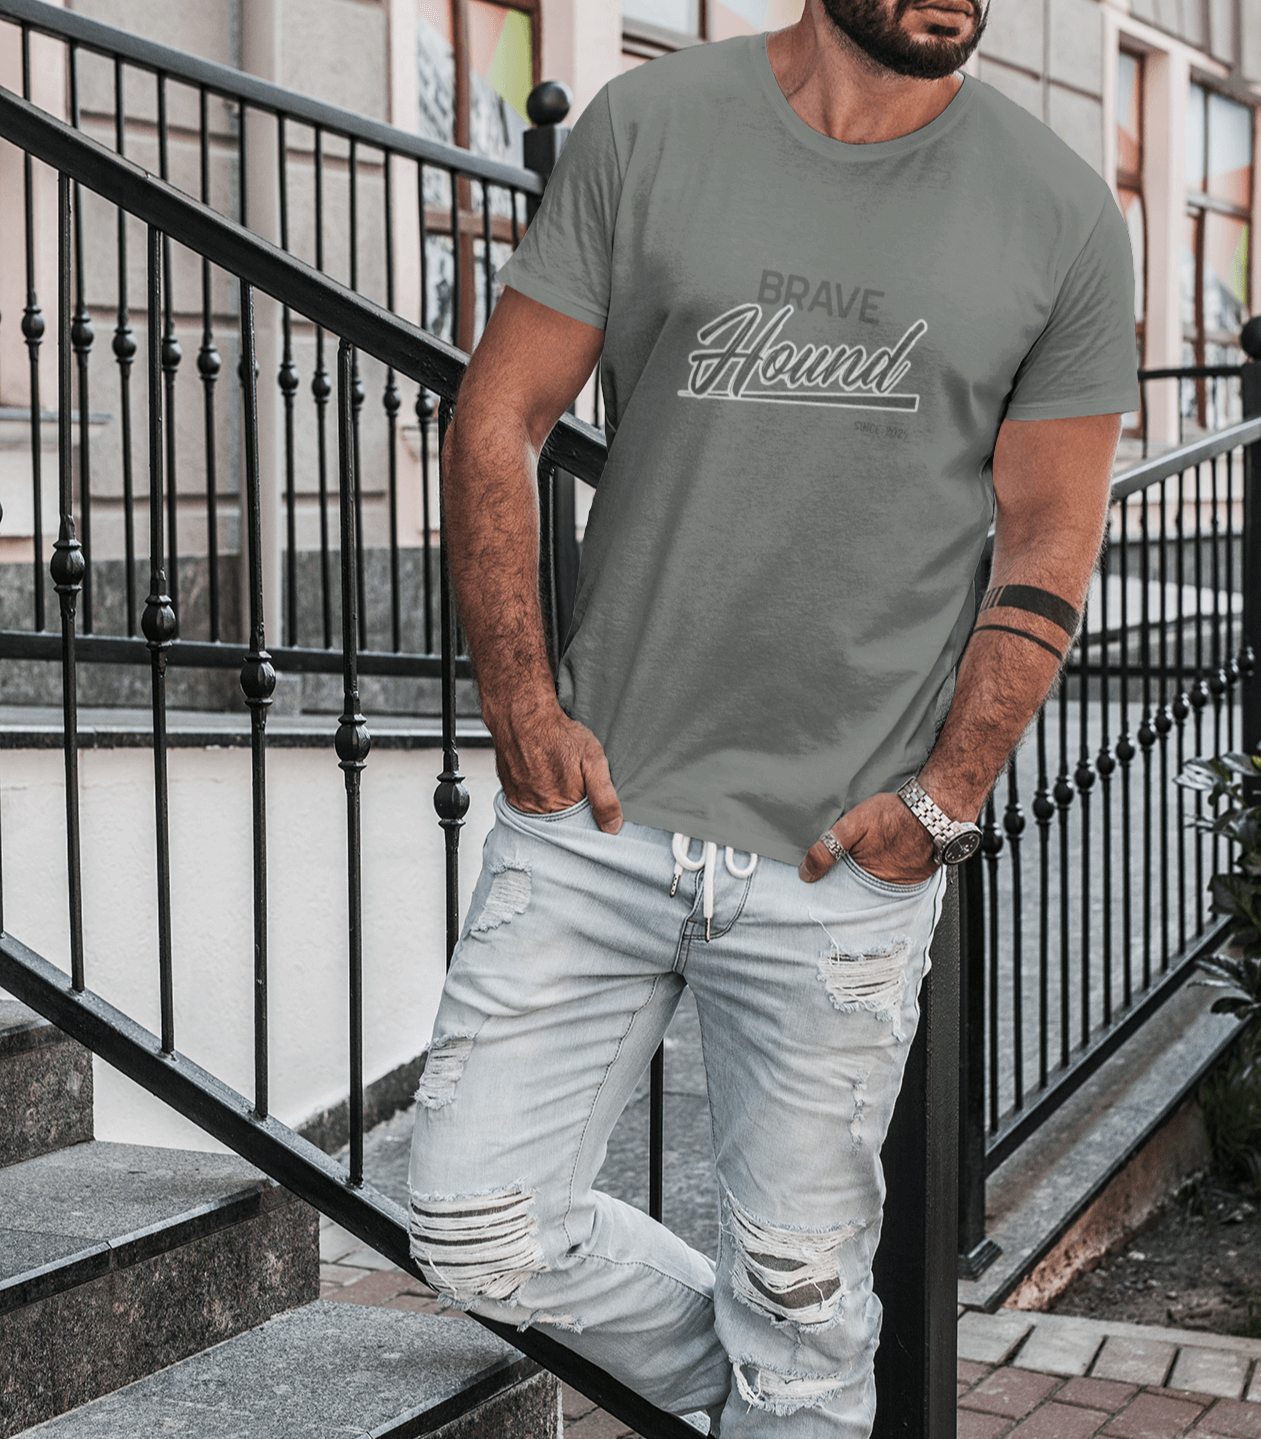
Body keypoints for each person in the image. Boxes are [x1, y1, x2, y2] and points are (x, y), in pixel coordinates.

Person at [407, 0, 1138, 1432]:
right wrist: (521, 704)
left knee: (801, 1288)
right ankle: (786, 1394)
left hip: (838, 868)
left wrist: (944, 801)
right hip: (597, 815)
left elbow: (1048, 543)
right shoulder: (650, 129)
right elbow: (497, 414)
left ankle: (795, 1378)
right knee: (473, 1224)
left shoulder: (1058, 217)